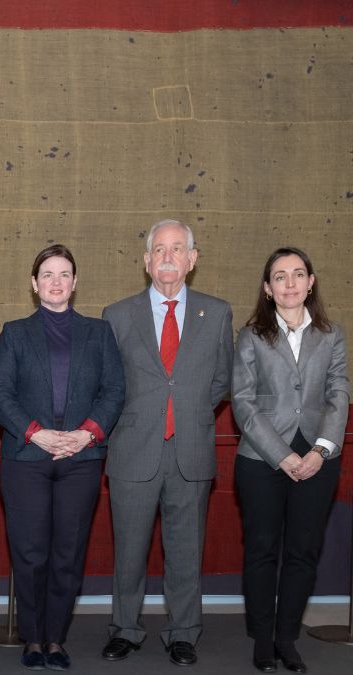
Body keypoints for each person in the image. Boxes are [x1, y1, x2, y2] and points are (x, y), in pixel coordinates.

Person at [100, 219, 233, 667]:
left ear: (193, 260)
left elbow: (221, 381)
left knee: (185, 551)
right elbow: (109, 384)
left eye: (178, 249)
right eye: (159, 249)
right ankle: (125, 628)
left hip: (190, 449)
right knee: (129, 550)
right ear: (146, 262)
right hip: (132, 450)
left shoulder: (217, 313)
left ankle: (183, 633)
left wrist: (187, 412)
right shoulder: (117, 316)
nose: (168, 257)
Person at [0, 244, 125, 670]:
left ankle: (56, 639)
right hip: (27, 458)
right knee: (30, 553)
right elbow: (1, 394)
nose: (56, 282)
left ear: (75, 282)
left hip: (81, 460)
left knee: (68, 552)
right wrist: (37, 434)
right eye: (47, 274)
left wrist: (87, 435)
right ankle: (33, 639)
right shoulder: (14, 332)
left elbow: (114, 391)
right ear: (34, 284)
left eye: (64, 274)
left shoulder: (99, 333)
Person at [231, 247, 347, 673]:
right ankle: (263, 641)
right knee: (261, 551)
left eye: (298, 274)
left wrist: (320, 450)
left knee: (302, 552)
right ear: (267, 289)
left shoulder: (331, 334)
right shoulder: (250, 336)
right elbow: (243, 403)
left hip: (319, 458)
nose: (290, 283)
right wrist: (282, 456)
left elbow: (338, 393)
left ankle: (287, 638)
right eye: (280, 277)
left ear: (311, 282)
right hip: (261, 460)